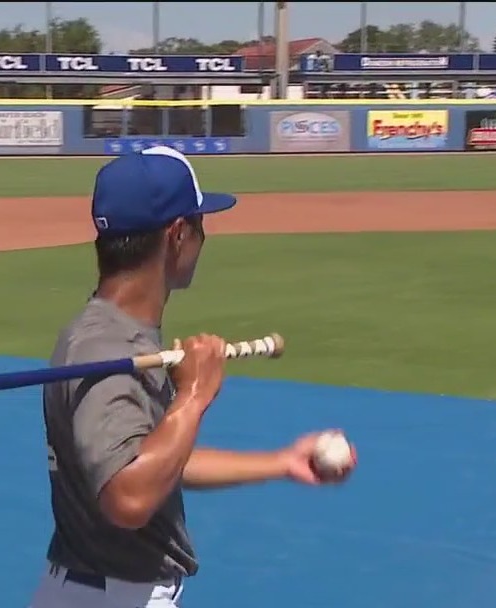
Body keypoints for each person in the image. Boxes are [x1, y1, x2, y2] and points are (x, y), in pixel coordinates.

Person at [28, 145, 357, 608]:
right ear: (177, 235)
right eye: (200, 226)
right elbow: (128, 496)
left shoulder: (113, 335)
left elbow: (156, 460)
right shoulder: (105, 347)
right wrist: (194, 395)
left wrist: (280, 462)